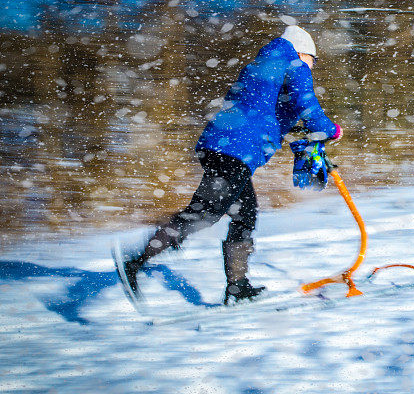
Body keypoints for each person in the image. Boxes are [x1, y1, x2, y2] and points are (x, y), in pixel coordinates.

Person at [117, 25, 341, 305]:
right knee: (206, 212)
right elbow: (307, 104)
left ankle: (238, 288)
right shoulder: (294, 62)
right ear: (302, 51)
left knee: (244, 214)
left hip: (225, 145)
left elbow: (268, 110)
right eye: (313, 59)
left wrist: (304, 135)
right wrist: (331, 130)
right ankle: (135, 261)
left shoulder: (266, 62)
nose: (313, 66)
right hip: (236, 150)